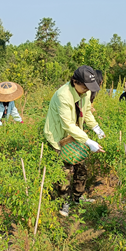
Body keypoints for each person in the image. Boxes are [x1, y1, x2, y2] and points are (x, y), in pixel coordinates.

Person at [44, 65, 106, 217]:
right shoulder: (63, 95)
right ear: (74, 81)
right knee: (64, 172)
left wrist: (96, 127)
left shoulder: (86, 91)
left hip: (75, 135)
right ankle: (63, 202)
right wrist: (88, 142)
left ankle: (78, 197)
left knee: (81, 166)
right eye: (85, 86)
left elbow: (87, 113)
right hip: (59, 137)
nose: (87, 90)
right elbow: (68, 125)